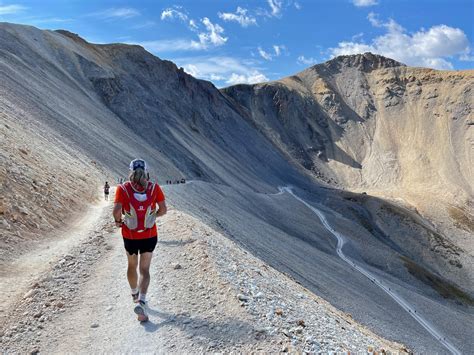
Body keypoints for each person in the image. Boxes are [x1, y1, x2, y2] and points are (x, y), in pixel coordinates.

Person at [112, 159, 167, 322]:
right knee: (145, 269)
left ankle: (134, 293)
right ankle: (142, 302)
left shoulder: (123, 189)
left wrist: (118, 222)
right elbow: (163, 210)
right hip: (149, 235)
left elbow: (116, 210)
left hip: (130, 235)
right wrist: (153, 216)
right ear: (146, 171)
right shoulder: (154, 188)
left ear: (130, 172)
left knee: (131, 265)